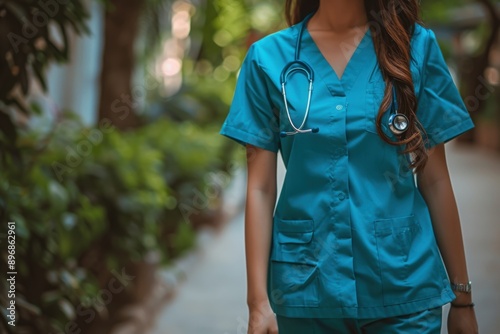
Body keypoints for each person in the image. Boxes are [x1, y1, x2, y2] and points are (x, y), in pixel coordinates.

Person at [219, 0, 479, 333]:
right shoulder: (268, 58)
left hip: (405, 286)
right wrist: (257, 303)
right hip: (307, 292)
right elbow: (259, 188)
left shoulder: (414, 47)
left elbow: (435, 179)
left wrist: (462, 298)